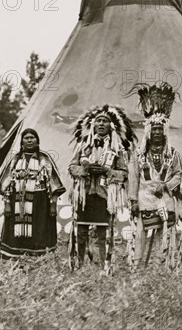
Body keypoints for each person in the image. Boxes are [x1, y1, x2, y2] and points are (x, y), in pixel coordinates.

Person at [69, 105, 135, 272]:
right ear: (92, 124)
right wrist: (84, 170)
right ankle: (79, 265)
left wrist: (107, 170)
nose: (101, 124)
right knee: (81, 230)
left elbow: (123, 173)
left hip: (104, 194)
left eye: (104, 121)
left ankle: (105, 267)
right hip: (84, 193)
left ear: (111, 125)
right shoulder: (83, 145)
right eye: (98, 120)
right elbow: (71, 167)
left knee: (103, 232)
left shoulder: (117, 148)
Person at [127, 82, 182, 269]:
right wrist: (133, 200)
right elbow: (133, 177)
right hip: (143, 199)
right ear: (148, 132)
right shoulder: (139, 154)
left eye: (160, 129)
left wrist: (165, 186)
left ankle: (160, 266)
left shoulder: (173, 154)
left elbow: (178, 174)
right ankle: (138, 265)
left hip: (165, 198)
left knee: (164, 233)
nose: (157, 132)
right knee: (141, 232)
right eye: (154, 129)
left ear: (165, 131)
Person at [0, 128, 66, 259]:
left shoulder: (44, 159)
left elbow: (54, 183)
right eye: (26, 138)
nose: (29, 140)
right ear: (22, 142)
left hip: (40, 201)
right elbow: (5, 183)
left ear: (38, 141)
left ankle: (38, 257)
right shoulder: (15, 159)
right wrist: (7, 204)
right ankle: (16, 255)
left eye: (32, 137)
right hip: (17, 200)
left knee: (39, 228)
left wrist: (53, 205)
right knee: (16, 229)